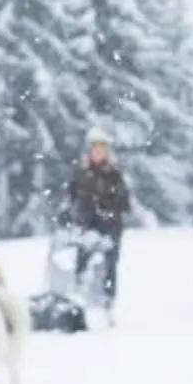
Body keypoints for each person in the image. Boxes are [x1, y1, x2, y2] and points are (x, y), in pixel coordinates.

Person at [65, 132, 133, 317]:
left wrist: (110, 214)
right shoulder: (81, 175)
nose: (99, 153)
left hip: (110, 227)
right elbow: (72, 199)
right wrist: (77, 219)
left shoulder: (114, 176)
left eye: (103, 150)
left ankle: (108, 302)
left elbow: (124, 202)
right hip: (87, 225)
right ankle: (78, 298)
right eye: (96, 150)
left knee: (110, 264)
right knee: (82, 258)